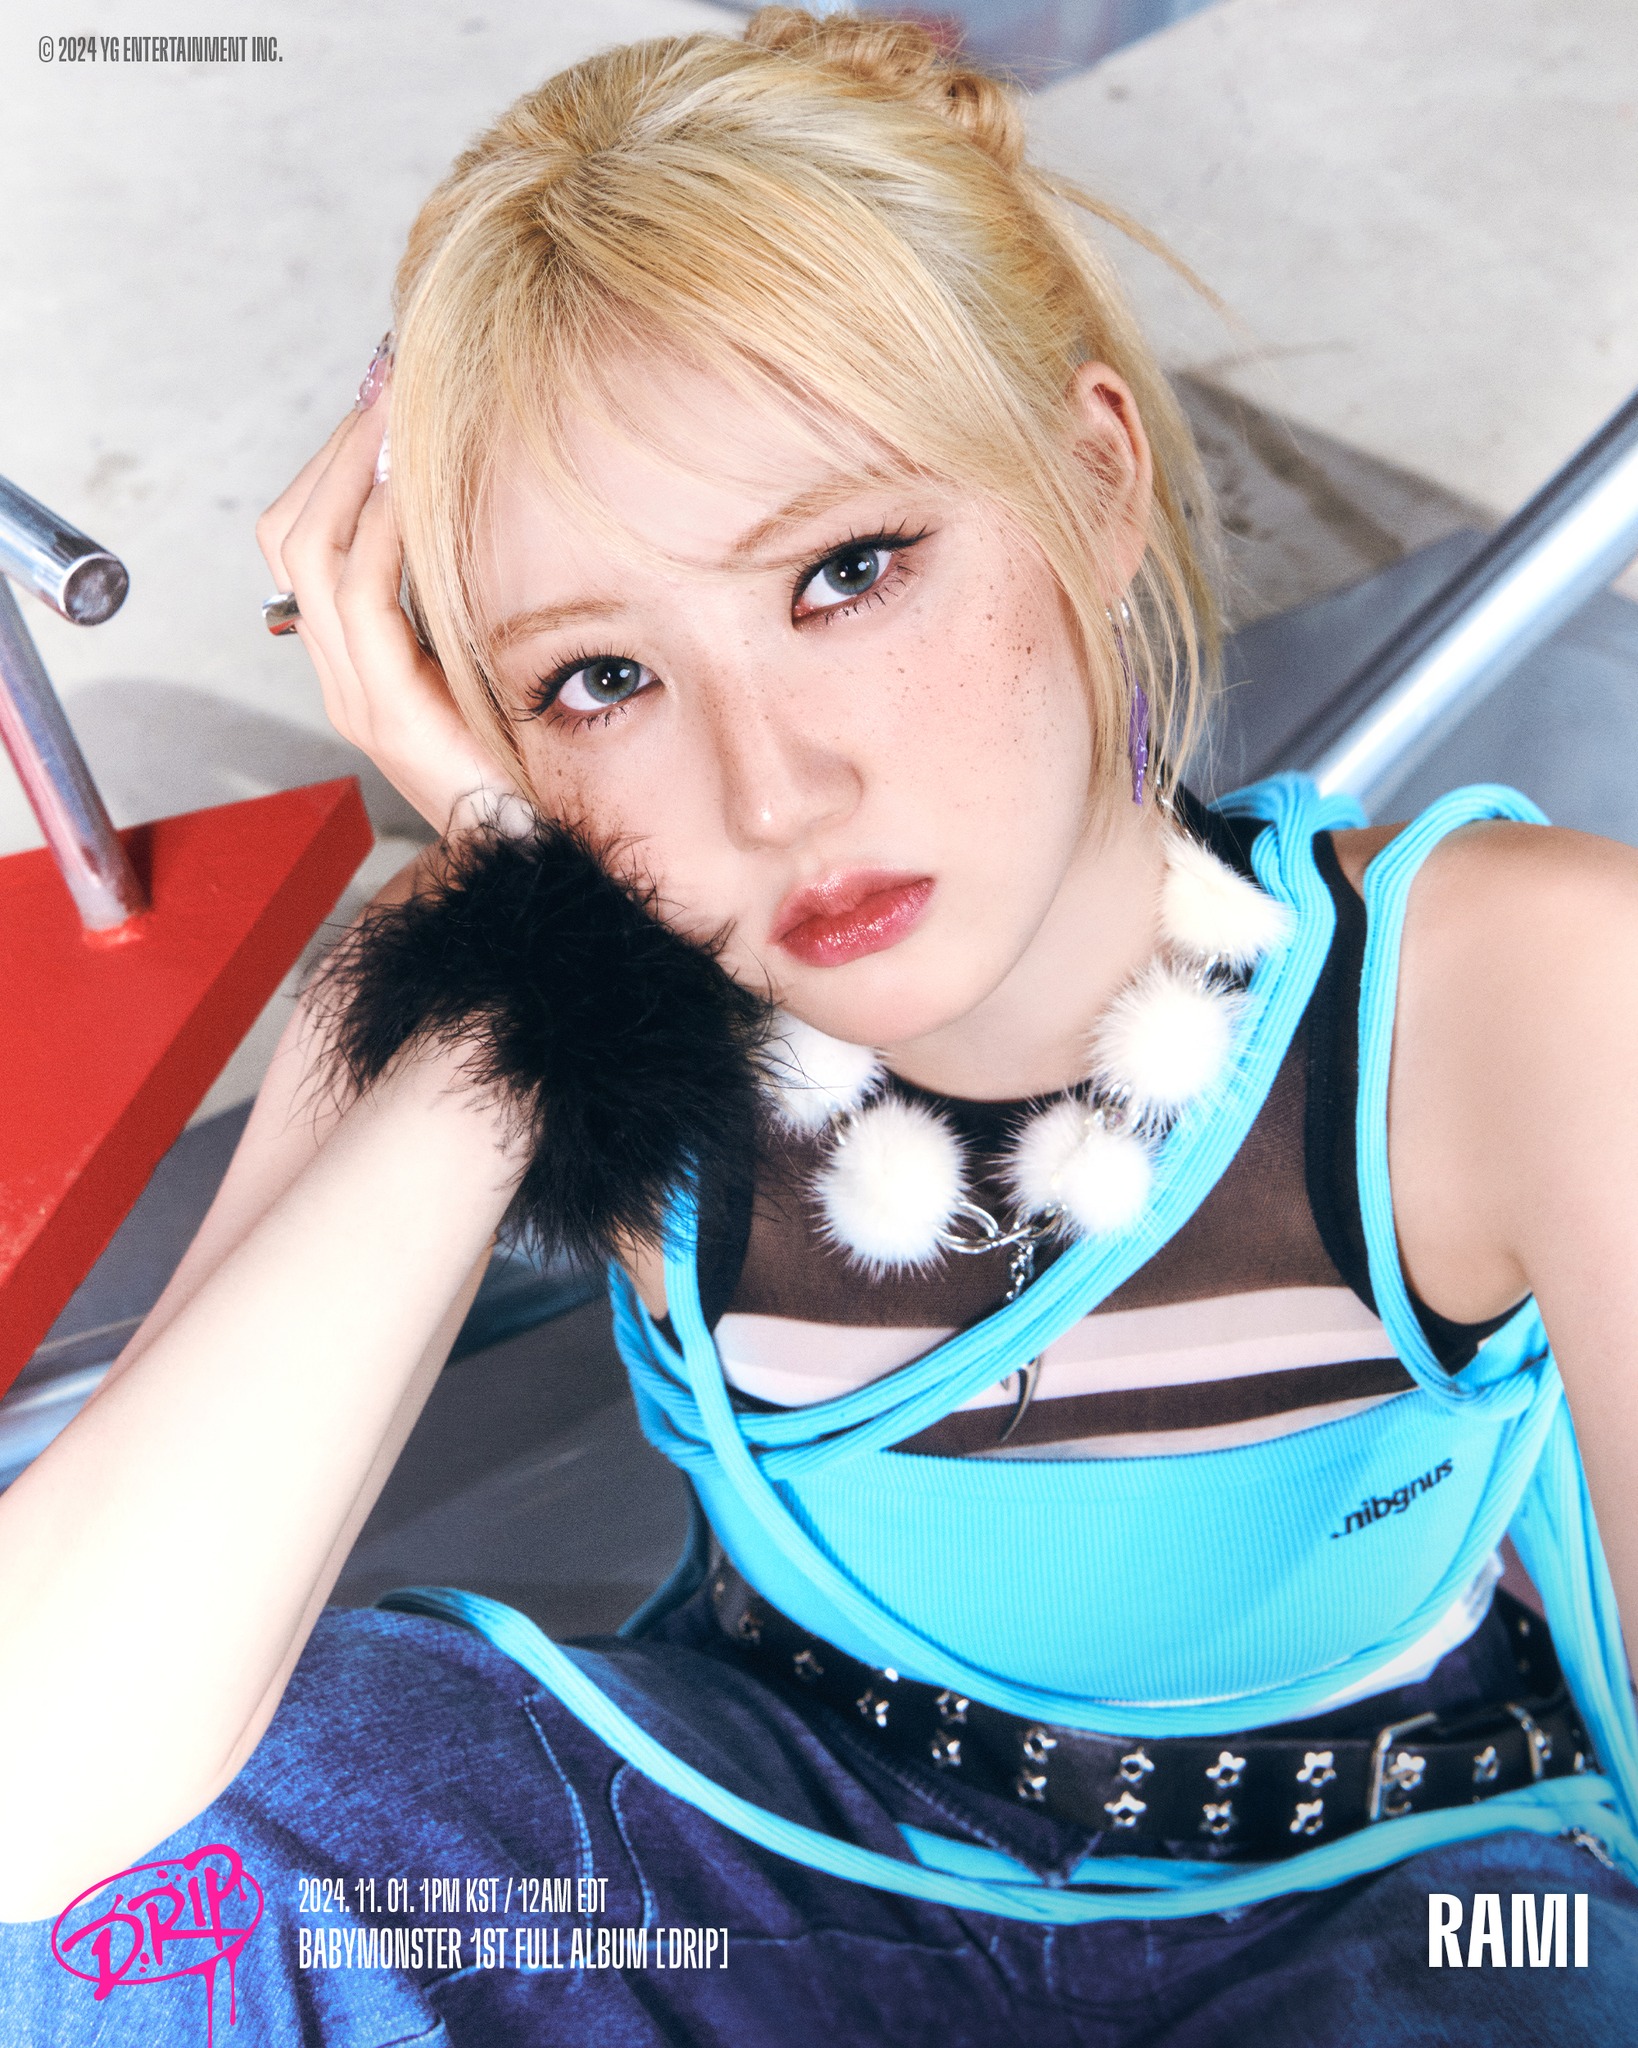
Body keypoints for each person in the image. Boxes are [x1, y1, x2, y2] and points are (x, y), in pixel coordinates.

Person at [4, 9, 1638, 2041]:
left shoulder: (1515, 987)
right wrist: (521, 921)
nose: (770, 790)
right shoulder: (539, 955)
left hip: (1398, 1901)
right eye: (602, 678)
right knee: (150, 1896)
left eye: (848, 570)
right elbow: (40, 1795)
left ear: (1093, 481)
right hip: (776, 1874)